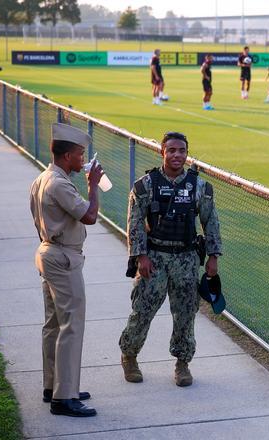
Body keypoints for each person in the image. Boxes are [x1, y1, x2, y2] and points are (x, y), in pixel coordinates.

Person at [119, 131, 222, 388]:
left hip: (186, 259)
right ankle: (129, 356)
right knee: (142, 310)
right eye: (172, 150)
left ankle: (182, 363)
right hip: (154, 257)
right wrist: (140, 255)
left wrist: (213, 257)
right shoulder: (146, 185)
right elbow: (134, 223)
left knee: (186, 313)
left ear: (187, 154)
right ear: (162, 152)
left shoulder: (199, 187)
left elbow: (211, 222)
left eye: (182, 151)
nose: (177, 155)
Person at [30, 123, 104, 417]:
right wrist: (93, 186)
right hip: (63, 258)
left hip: (48, 251)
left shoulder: (42, 178)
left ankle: (55, 386)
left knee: (53, 324)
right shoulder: (60, 183)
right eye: (80, 153)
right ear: (66, 156)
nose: (83, 158)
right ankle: (65, 397)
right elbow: (89, 216)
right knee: (71, 325)